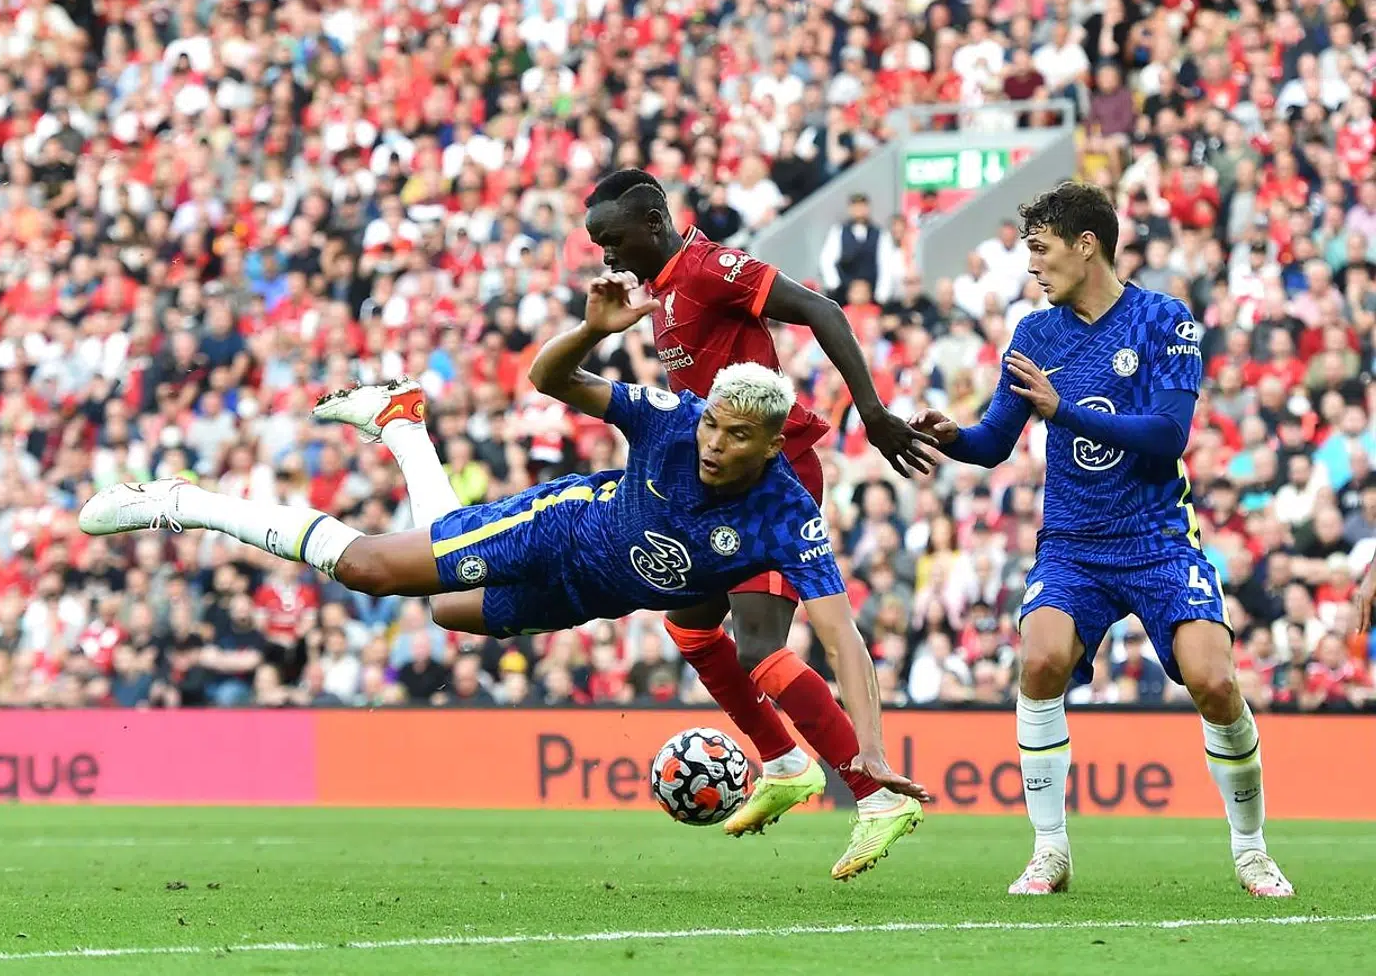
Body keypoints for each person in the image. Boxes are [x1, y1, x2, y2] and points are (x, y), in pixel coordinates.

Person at [78, 271, 929, 881]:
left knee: (449, 612)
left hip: (589, 595)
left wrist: (876, 753)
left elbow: (842, 639)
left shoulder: (786, 516)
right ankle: (186, 501)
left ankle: (403, 424)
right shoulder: (671, 421)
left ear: (771, 445)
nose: (713, 443)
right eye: (713, 425)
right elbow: (550, 380)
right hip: (553, 531)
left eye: (736, 437)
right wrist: (596, 331)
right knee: (372, 567)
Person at [910, 181, 1293, 898]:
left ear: (1087, 246)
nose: (1033, 268)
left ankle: (1251, 850)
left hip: (1157, 540)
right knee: (1040, 660)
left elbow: (1167, 436)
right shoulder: (1035, 335)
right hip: (1073, 546)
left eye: (1042, 250)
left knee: (1214, 683)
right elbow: (996, 443)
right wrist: (953, 436)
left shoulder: (1163, 320)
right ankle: (1050, 852)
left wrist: (1064, 411)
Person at [582, 168, 938, 839]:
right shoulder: (659, 290)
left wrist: (874, 412)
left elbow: (822, 310)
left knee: (760, 646)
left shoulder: (711, 269)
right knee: (689, 627)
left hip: (778, 472)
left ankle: (876, 795)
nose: (607, 255)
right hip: (721, 485)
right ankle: (781, 762)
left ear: (652, 224)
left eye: (612, 238)